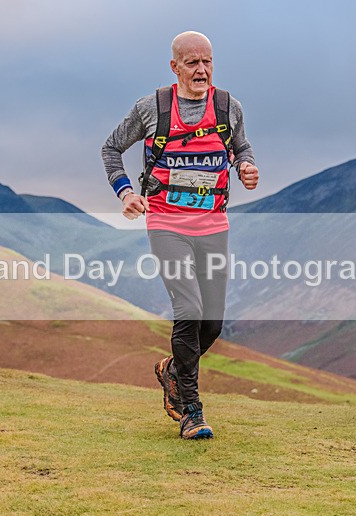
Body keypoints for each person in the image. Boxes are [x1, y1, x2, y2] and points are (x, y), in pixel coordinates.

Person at [101, 31, 259, 439]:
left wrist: (246, 168)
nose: (201, 70)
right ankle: (191, 410)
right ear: (175, 67)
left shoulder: (228, 107)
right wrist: (125, 193)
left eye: (207, 61)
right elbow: (110, 149)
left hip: (213, 225)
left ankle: (171, 370)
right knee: (188, 310)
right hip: (166, 223)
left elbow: (241, 148)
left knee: (212, 323)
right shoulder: (152, 108)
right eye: (191, 63)